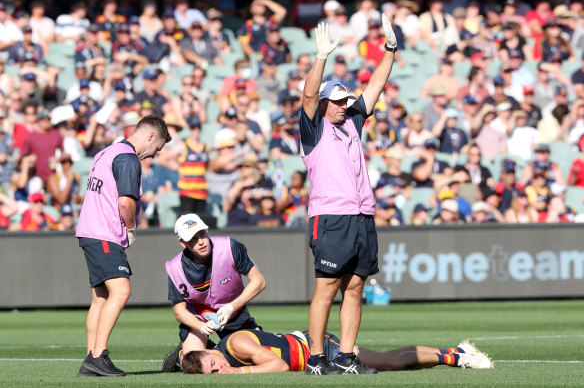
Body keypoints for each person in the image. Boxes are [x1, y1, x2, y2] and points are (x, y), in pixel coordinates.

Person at [300, 18, 397, 375]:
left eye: (345, 101)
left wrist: (389, 50)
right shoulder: (313, 128)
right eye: (337, 101)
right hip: (331, 217)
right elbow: (309, 95)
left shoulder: (352, 123)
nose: (344, 106)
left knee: (355, 287)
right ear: (326, 103)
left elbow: (375, 86)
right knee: (326, 288)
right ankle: (315, 359)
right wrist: (321, 57)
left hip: (361, 216)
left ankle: (346, 357)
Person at [75, 115, 170, 377]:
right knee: (121, 291)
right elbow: (126, 203)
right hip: (105, 233)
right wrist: (130, 229)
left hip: (90, 231)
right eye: (158, 148)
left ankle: (90, 358)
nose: (154, 155)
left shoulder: (106, 152)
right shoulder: (128, 158)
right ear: (151, 136)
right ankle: (98, 356)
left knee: (100, 298)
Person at [162, 213, 266, 373]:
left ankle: (214, 347)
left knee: (253, 358)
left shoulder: (230, 247)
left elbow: (259, 281)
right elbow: (179, 311)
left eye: (202, 234)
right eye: (192, 239)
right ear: (183, 243)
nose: (200, 241)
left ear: (207, 231)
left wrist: (231, 308)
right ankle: (180, 355)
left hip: (234, 312)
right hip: (199, 316)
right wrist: (201, 327)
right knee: (195, 365)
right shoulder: (175, 268)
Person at [181, 329, 494, 374]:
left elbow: (276, 365)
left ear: (210, 354)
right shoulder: (226, 355)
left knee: (388, 362)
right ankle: (454, 353)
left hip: (320, 348)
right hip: (314, 356)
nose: (219, 372)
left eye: (214, 367)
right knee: (389, 363)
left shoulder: (234, 346)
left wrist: (240, 371)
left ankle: (458, 354)